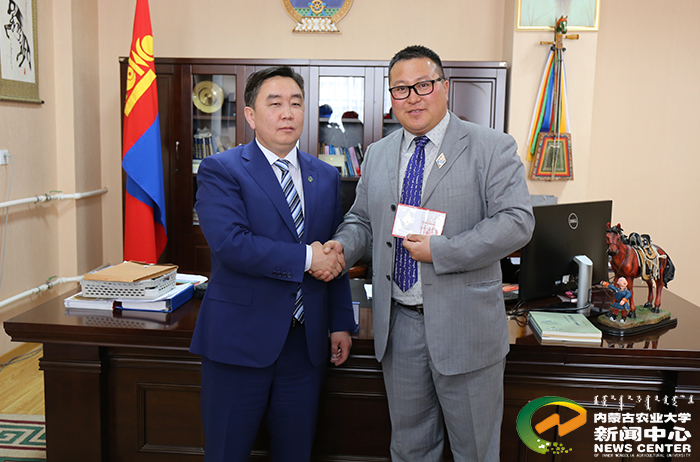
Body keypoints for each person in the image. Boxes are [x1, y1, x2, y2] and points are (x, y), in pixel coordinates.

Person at [317, 46, 535, 461]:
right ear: (391, 97)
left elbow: (516, 222)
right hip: (400, 327)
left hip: (466, 328)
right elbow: (362, 219)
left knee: (475, 451)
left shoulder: (491, 147)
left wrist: (444, 251)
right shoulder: (379, 153)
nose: (413, 97)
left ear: (445, 87)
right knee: (410, 449)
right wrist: (342, 245)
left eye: (423, 85)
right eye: (401, 89)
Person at [190, 65, 356, 462]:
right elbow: (232, 244)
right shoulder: (221, 169)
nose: (287, 113)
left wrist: (340, 322)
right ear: (250, 114)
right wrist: (308, 257)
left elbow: (332, 251)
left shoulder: (325, 175)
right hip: (239, 342)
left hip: (305, 345)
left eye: (296, 103)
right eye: (275, 103)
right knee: (226, 452)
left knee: (295, 452)